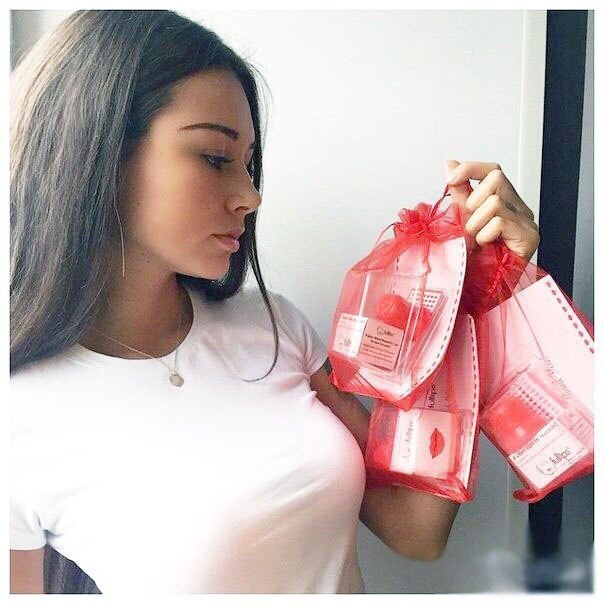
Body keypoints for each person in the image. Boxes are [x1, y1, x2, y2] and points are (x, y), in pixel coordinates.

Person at [9, 10, 540, 595]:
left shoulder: (274, 327)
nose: (251, 195)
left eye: (248, 164)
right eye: (215, 158)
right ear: (96, 153)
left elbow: (414, 529)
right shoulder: (20, 416)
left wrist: (472, 297)